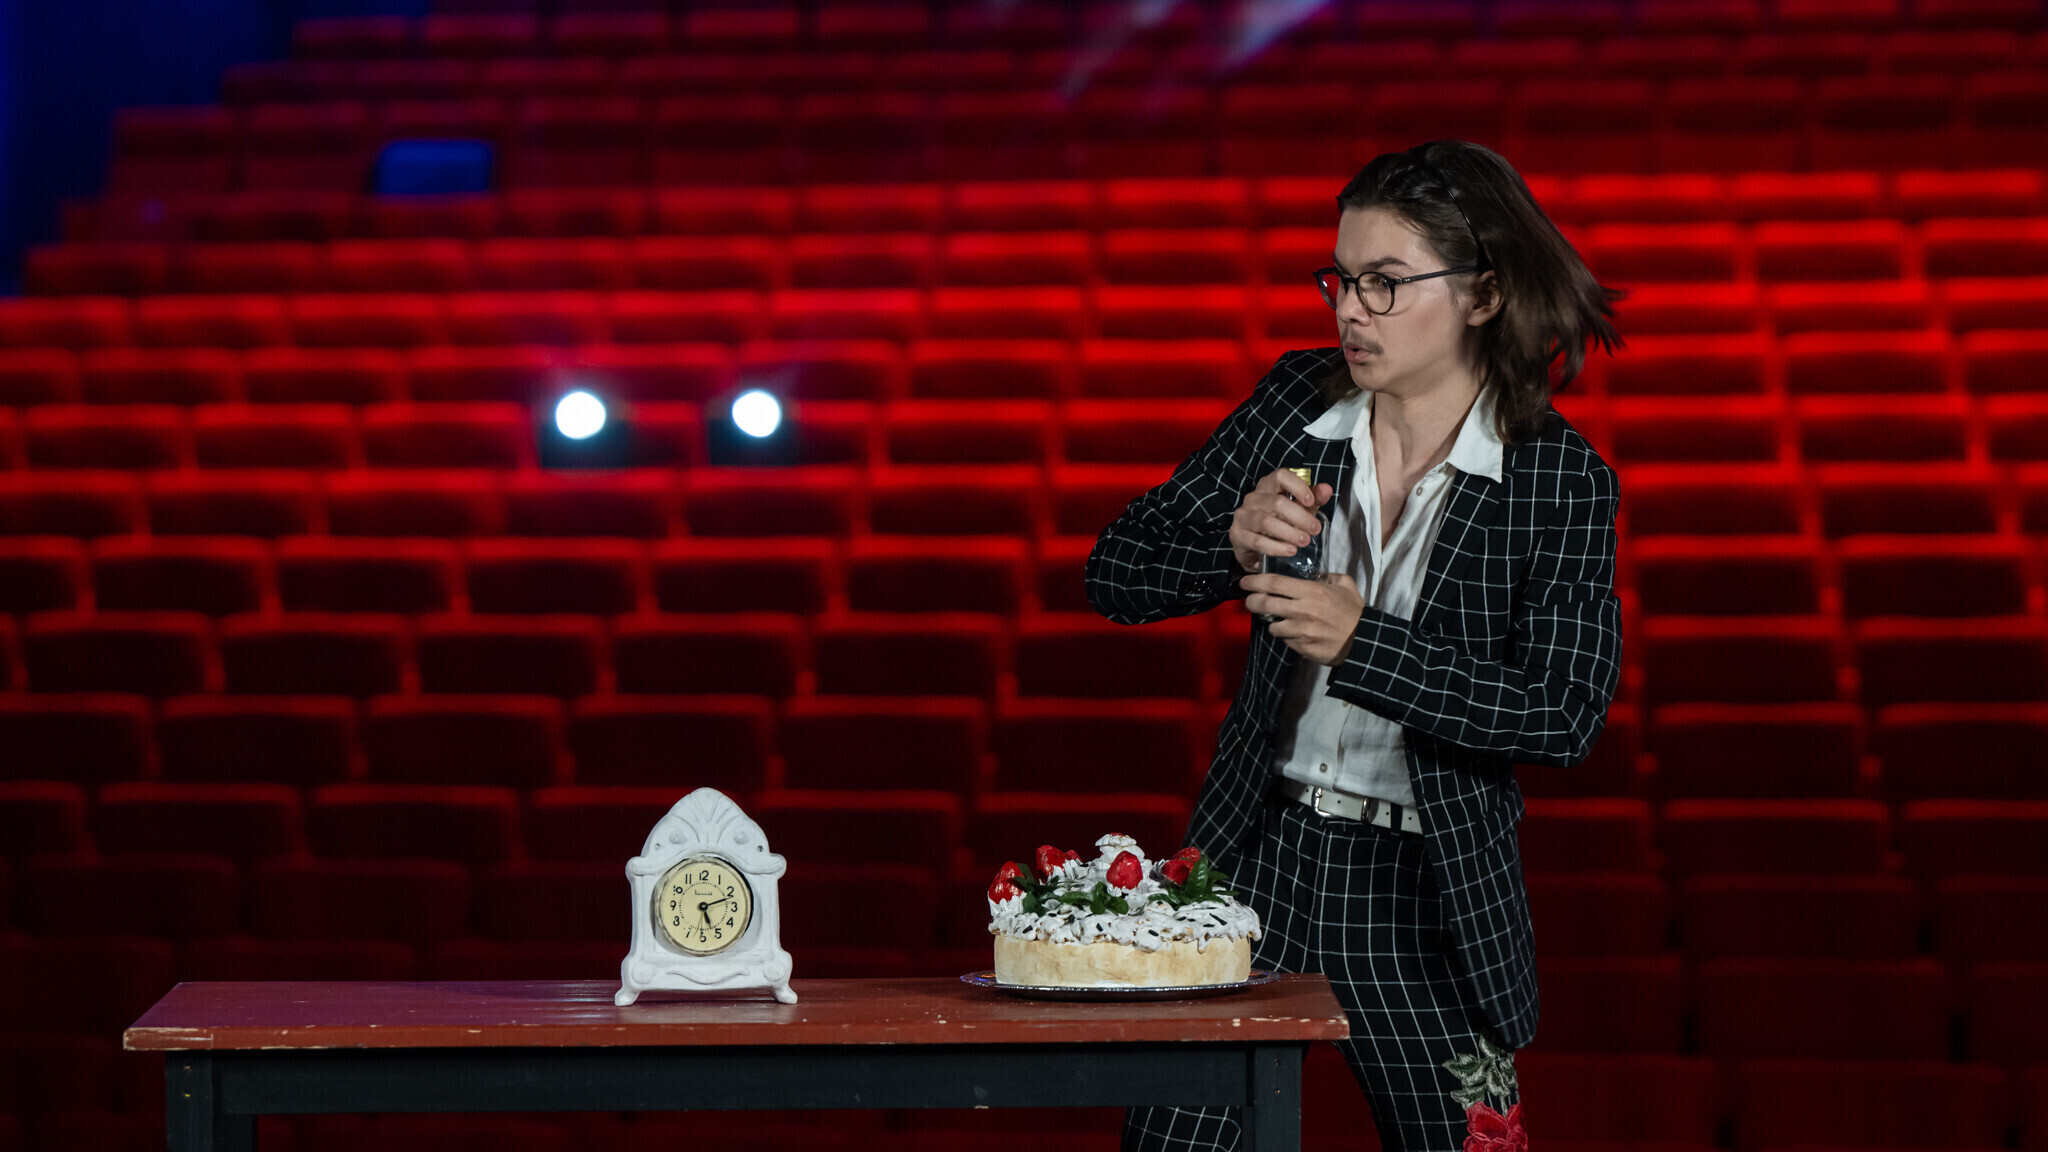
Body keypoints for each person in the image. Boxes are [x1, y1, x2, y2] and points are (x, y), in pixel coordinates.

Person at [1087, 139, 1625, 1152]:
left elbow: (1562, 713)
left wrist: (1362, 643)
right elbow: (1114, 572)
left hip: (1425, 891)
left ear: (1482, 293)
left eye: (1384, 283)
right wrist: (1229, 542)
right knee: (1169, 1145)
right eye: (1340, 279)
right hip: (1257, 855)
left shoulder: (1560, 479)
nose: (1349, 311)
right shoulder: (1296, 401)